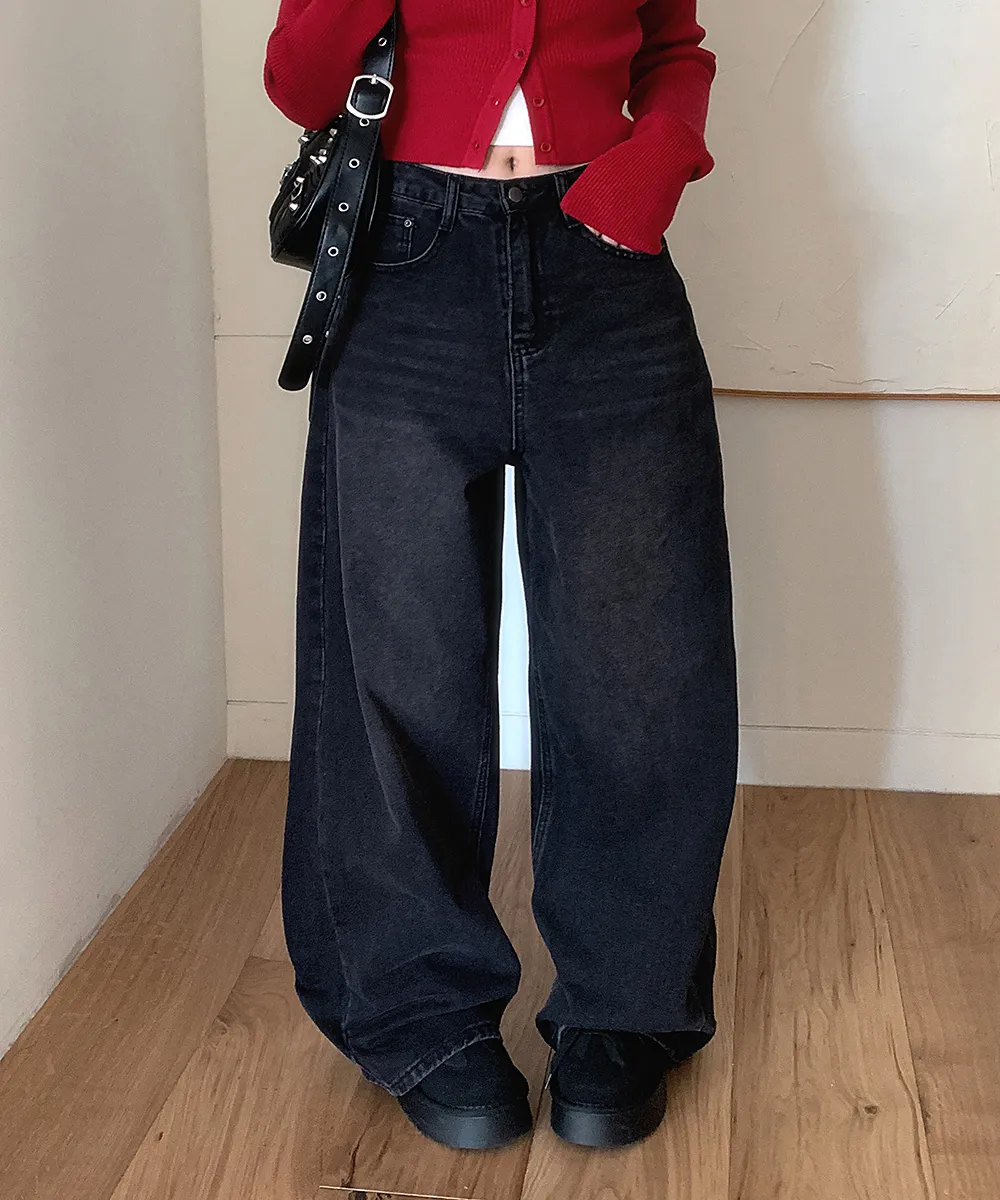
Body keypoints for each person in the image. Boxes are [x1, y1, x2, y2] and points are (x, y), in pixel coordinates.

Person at [262, 0, 737, 1153]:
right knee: (398, 660)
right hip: (405, 260)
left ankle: (623, 1010)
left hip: (606, 262)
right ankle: (422, 1016)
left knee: (642, 662)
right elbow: (300, 81)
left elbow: (674, 50)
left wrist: (647, 173)